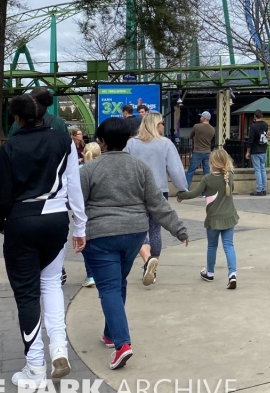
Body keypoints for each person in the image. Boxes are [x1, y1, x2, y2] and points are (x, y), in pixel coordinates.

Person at [0, 94, 87, 389]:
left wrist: (1, 224)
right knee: (50, 283)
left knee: (27, 294)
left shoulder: (9, 148)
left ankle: (35, 368)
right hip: (57, 219)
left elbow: (1, 194)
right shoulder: (64, 141)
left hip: (22, 220)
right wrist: (80, 227)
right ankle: (59, 348)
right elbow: (74, 184)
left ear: (17, 119)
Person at [81, 117, 189, 370]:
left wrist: (76, 232)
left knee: (108, 287)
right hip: (134, 234)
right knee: (118, 282)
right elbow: (157, 204)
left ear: (102, 141)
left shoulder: (89, 170)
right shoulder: (140, 169)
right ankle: (110, 334)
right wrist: (179, 230)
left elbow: (76, 205)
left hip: (101, 235)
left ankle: (122, 344)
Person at [124, 112, 188, 286]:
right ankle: (153, 265)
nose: (163, 127)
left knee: (137, 229)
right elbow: (175, 169)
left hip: (135, 192)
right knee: (155, 230)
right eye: (161, 124)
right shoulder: (165, 144)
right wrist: (182, 189)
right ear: (155, 124)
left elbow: (123, 166)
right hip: (159, 191)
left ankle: (147, 260)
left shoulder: (131, 144)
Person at [176, 148, 240, 289]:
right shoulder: (229, 176)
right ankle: (232, 274)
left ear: (212, 162)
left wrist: (181, 195)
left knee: (212, 246)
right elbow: (231, 189)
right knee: (229, 245)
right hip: (229, 217)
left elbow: (194, 193)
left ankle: (210, 273)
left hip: (213, 219)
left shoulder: (207, 179)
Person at [80, 142, 102, 288]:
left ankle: (91, 275)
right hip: (101, 211)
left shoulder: (80, 170)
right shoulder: (103, 169)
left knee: (86, 245)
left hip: (84, 212)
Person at [188, 111, 215, 186]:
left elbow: (191, 136)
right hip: (207, 152)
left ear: (204, 118)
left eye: (201, 116)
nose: (200, 117)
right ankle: (206, 191)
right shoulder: (212, 129)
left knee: (190, 171)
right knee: (207, 172)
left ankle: (186, 189)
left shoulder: (197, 126)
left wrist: (196, 138)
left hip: (197, 152)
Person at [247, 110, 269, 196]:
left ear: (254, 116)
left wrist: (248, 151)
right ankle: (264, 188)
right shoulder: (265, 125)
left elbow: (251, 139)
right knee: (263, 169)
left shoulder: (253, 127)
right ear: (262, 116)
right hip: (263, 149)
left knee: (257, 170)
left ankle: (259, 189)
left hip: (255, 150)